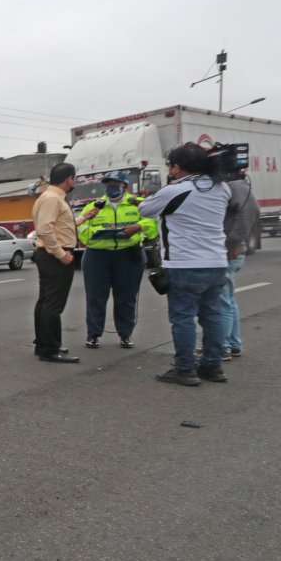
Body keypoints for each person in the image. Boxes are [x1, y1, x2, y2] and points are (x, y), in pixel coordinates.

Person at [138, 143, 231, 386]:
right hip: (217, 262)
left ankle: (185, 369)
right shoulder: (221, 189)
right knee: (213, 316)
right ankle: (213, 366)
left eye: (171, 167)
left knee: (183, 317)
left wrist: (169, 187)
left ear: (177, 168)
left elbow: (145, 209)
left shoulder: (175, 191)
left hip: (185, 263)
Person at [75, 172, 158, 350]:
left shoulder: (138, 204)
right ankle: (93, 334)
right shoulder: (94, 206)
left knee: (126, 298)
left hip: (128, 255)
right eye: (108, 184)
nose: (112, 187)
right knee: (96, 297)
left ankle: (125, 334)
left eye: (116, 184)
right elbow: (81, 229)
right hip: (98, 256)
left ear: (125, 186)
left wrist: (138, 226)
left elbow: (152, 226)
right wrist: (98, 233)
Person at [31, 163, 81, 363]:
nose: (74, 182)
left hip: (48, 254)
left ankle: (43, 344)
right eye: (74, 179)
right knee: (53, 305)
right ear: (69, 178)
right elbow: (45, 229)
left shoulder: (49, 197)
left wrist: (84, 217)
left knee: (45, 301)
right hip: (54, 256)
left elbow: (61, 226)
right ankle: (50, 349)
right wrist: (61, 254)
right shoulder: (53, 198)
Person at [219, 178, 259, 359]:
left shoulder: (234, 185)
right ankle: (233, 345)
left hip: (228, 252)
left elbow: (250, 213)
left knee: (221, 302)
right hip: (229, 251)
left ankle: (223, 347)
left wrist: (231, 242)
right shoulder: (236, 184)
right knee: (227, 300)